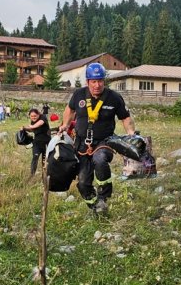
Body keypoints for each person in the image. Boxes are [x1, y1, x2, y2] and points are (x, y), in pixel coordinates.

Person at [58, 62, 135, 214]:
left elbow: (125, 118)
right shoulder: (79, 94)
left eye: (100, 81)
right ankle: (95, 207)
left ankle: (103, 197)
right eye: (94, 81)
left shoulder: (114, 98)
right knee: (82, 183)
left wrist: (131, 133)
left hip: (104, 141)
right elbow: (70, 110)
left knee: (100, 160)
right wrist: (65, 125)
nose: (97, 85)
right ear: (88, 82)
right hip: (81, 144)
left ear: (104, 81)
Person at [22, 108, 51, 176]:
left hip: (46, 143)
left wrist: (32, 126)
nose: (33, 117)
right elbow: (33, 130)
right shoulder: (33, 121)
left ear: (38, 114)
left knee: (45, 160)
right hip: (37, 143)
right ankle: (32, 175)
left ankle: (45, 175)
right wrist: (24, 128)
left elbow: (40, 123)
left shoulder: (43, 117)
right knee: (35, 157)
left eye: (35, 116)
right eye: (31, 116)